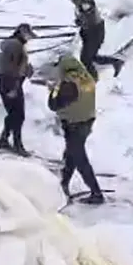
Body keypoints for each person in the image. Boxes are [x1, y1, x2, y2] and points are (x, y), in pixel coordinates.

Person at [48, 53, 104, 205]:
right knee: (72, 153)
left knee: (79, 158)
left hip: (73, 124)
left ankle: (96, 192)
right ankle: (64, 184)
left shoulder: (69, 83)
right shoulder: (87, 78)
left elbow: (54, 105)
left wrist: (52, 90)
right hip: (87, 121)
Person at [63, 0, 124, 81]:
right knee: (91, 57)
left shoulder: (83, 0)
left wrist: (82, 20)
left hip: (94, 32)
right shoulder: (79, 0)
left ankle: (93, 80)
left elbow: (89, 13)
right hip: (90, 31)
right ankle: (116, 62)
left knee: (85, 59)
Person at [0, 23, 36, 156]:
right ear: (22, 33)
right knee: (19, 115)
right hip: (12, 83)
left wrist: (25, 71)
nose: (29, 39)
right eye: (28, 35)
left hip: (5, 82)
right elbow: (15, 68)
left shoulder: (10, 45)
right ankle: (17, 145)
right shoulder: (16, 46)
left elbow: (12, 66)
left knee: (13, 114)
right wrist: (16, 84)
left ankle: (4, 139)